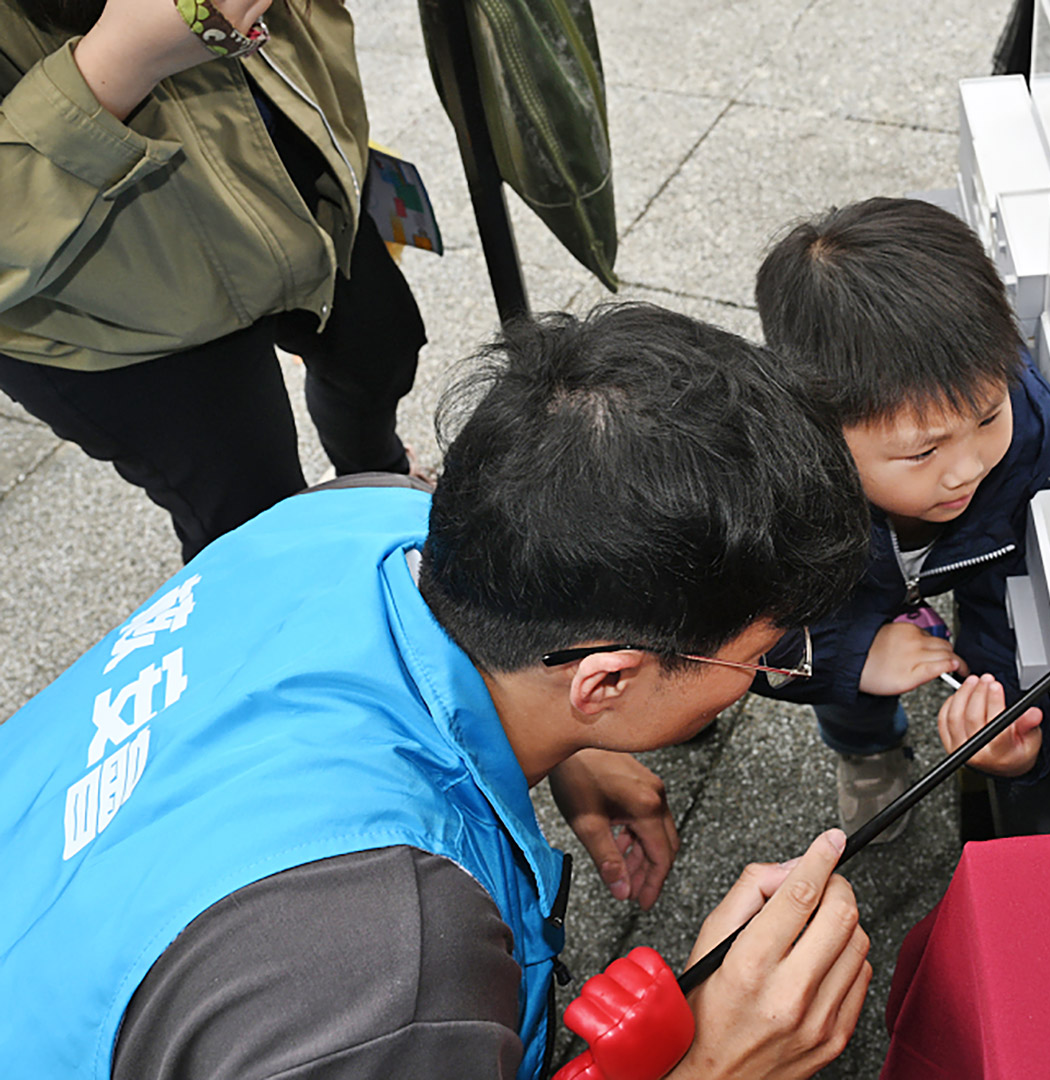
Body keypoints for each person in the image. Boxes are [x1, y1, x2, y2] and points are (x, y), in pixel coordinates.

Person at [0, 304, 879, 1080]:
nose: (771, 672)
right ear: (603, 680)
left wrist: (568, 745)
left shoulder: (363, 513)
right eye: (766, 654)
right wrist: (720, 1067)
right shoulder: (391, 979)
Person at [0, 0, 428, 561]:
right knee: (249, 514)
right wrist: (118, 64)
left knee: (380, 350)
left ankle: (378, 479)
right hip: (97, 299)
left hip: (292, 161)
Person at [753, 196, 1050, 840]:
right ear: (817, 431)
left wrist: (1010, 717)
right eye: (922, 452)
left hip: (931, 567)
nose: (964, 469)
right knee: (858, 676)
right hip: (833, 586)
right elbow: (730, 642)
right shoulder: (765, 500)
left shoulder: (1029, 440)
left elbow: (1010, 600)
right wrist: (852, 660)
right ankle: (868, 752)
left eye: (987, 416)